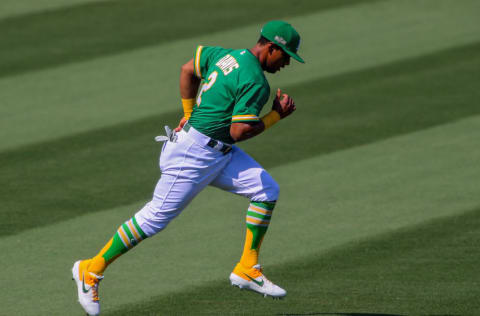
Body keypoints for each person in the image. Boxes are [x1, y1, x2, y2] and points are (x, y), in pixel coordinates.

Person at [72, 20, 304, 315]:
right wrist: (275, 116)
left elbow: (187, 70)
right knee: (154, 218)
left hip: (214, 151)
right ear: (271, 48)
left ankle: (247, 267)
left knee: (266, 189)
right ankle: (90, 270)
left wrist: (189, 114)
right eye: (285, 56)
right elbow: (239, 131)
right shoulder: (256, 82)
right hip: (193, 157)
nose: (286, 63)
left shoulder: (225, 55)